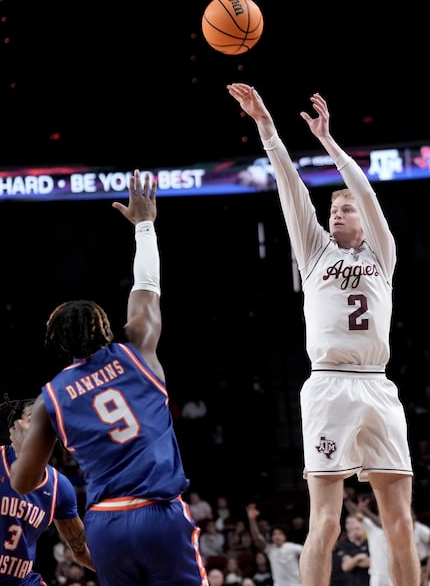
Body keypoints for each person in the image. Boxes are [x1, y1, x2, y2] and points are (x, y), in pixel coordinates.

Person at [227, 83, 421, 586]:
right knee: (327, 521)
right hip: (329, 385)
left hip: (377, 384)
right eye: (333, 210)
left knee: (400, 523)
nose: (338, 212)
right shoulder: (314, 253)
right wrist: (266, 126)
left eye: (346, 208)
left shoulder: (382, 252)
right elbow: (290, 185)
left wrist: (330, 143)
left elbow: (366, 191)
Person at [9, 171, 209, 586]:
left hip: (104, 525)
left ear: (56, 344)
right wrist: (145, 226)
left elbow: (24, 481)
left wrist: (26, 444)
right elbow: (147, 287)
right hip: (159, 513)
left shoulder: (51, 397)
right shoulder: (137, 349)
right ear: (103, 329)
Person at [0, 396, 94, 585]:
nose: (41, 425)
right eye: (33, 418)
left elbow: (80, 549)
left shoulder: (60, 486)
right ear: (15, 427)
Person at [246, 502, 303, 586]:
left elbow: (308, 555)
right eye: (274, 534)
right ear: (271, 538)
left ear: (285, 537)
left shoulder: (293, 547)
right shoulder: (270, 549)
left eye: (280, 534)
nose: (277, 536)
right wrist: (252, 520)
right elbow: (257, 538)